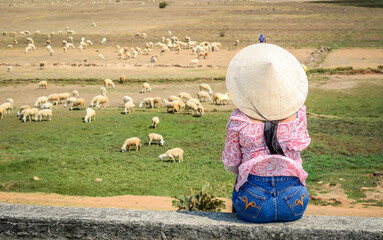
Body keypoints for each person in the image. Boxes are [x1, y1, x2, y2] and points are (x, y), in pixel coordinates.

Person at [223, 43, 311, 223]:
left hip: (253, 203)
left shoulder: (239, 120)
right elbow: (301, 144)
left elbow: (231, 163)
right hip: (294, 202)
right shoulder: (299, 113)